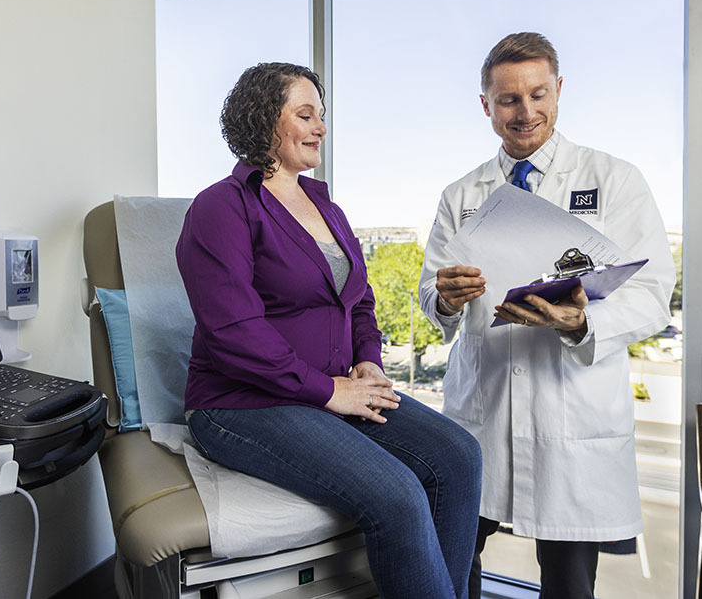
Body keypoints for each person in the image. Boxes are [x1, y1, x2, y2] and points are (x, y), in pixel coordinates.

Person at [177, 62, 482, 599]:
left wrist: (367, 362)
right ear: (264, 119)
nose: (321, 127)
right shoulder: (220, 207)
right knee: (397, 494)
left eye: (322, 115)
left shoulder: (327, 206)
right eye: (305, 114)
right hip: (241, 403)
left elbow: (359, 299)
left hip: (336, 384)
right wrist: (330, 392)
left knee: (459, 456)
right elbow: (233, 331)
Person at [418, 33, 676, 599]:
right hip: (480, 411)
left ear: (558, 91)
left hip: (571, 415)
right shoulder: (461, 194)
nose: (525, 112)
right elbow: (429, 293)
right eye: (508, 99)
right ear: (486, 104)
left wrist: (581, 324)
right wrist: (446, 297)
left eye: (538, 94)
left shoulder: (614, 179)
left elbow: (654, 289)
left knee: (568, 583)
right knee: (455, 563)